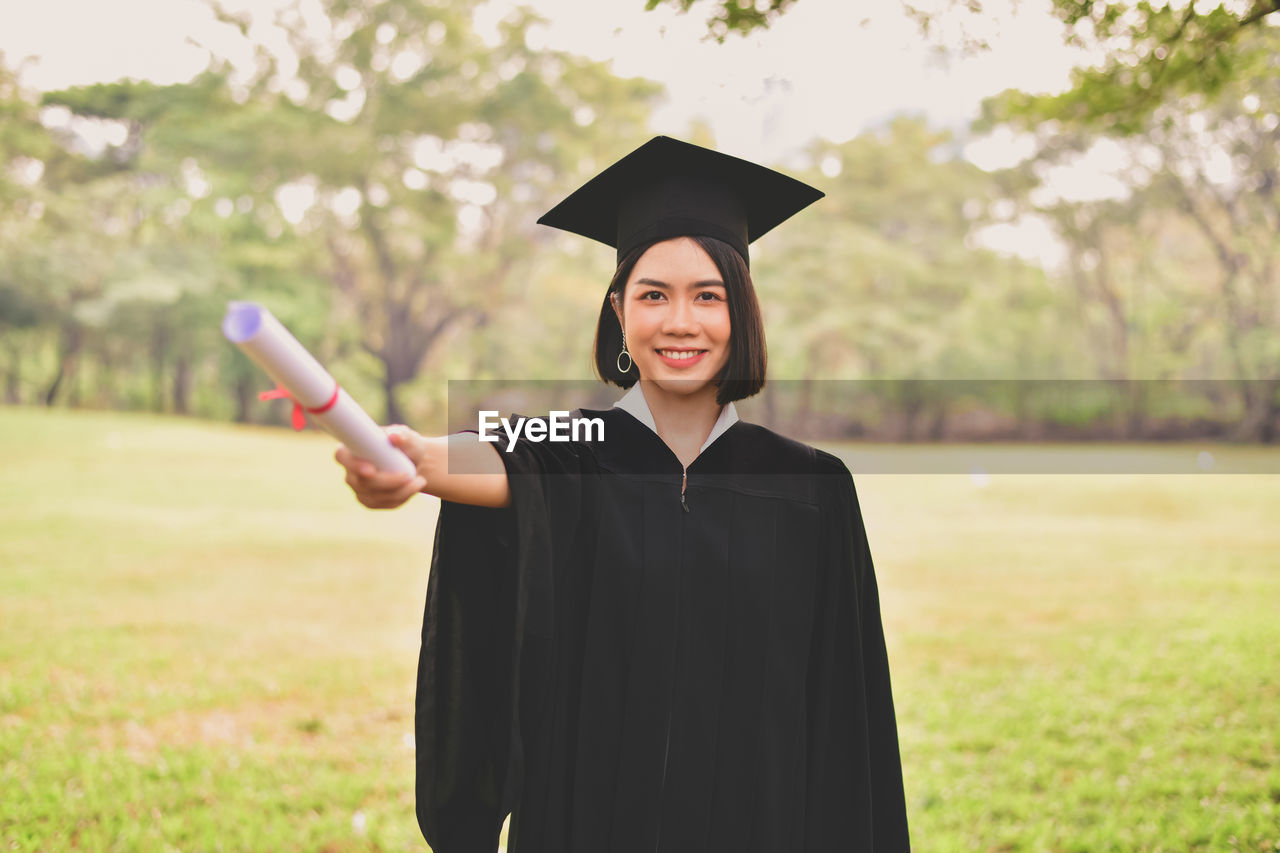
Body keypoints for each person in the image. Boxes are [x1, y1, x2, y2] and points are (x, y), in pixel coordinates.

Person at [335, 137, 911, 852]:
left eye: (709, 295)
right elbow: (491, 457)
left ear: (743, 312)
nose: (680, 321)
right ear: (618, 309)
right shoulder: (566, 451)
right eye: (653, 294)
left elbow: (846, 719)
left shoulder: (813, 488)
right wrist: (413, 460)